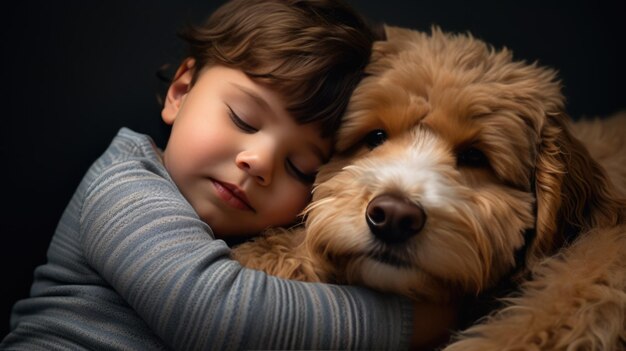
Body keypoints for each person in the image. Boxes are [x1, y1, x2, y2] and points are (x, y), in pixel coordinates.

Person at [1, 0, 455, 349]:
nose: (259, 163)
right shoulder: (125, 184)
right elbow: (213, 315)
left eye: (300, 167)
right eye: (242, 119)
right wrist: (419, 321)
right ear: (180, 91)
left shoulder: (270, 240)